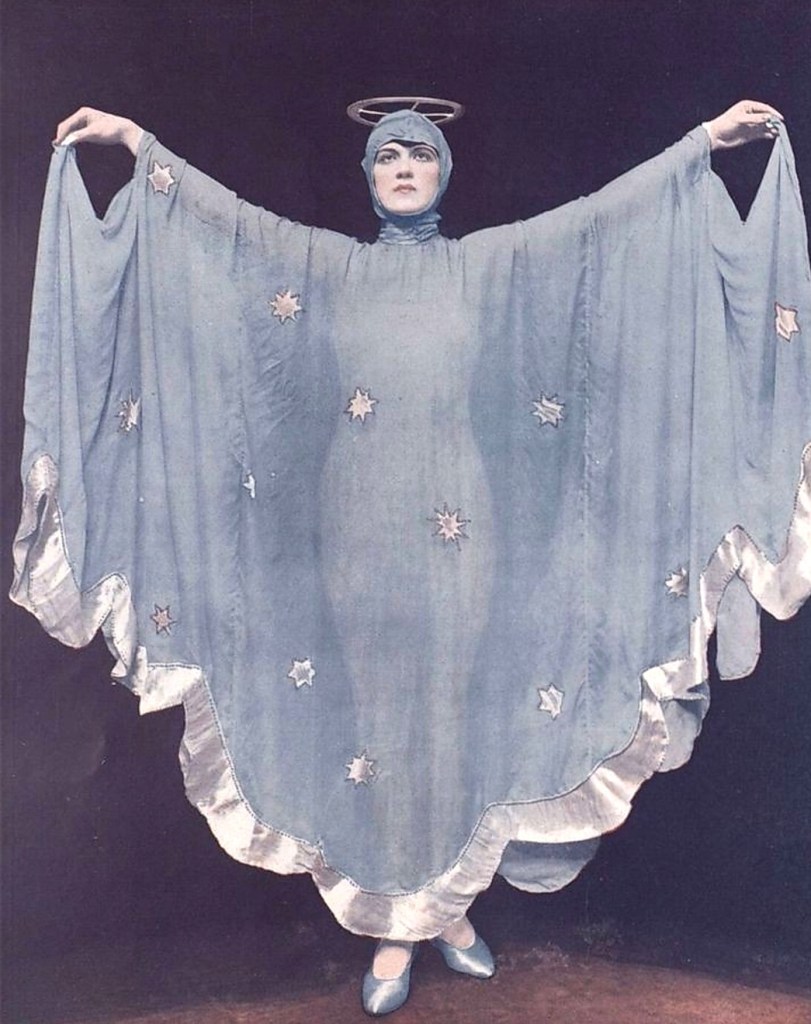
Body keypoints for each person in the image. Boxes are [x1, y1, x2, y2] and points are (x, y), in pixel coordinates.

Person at [12, 97, 810, 1016]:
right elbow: (219, 224)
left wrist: (701, 144)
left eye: (419, 155)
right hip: (355, 527)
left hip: (464, 526)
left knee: (451, 703)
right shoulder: (322, 265)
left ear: (442, 173)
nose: (402, 167)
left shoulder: (491, 265)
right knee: (379, 707)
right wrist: (135, 143)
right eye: (386, 155)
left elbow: (601, 222)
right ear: (366, 177)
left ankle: (435, 909)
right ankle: (409, 921)